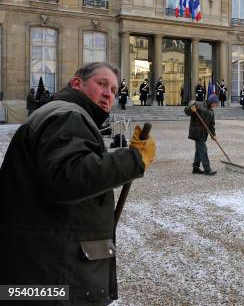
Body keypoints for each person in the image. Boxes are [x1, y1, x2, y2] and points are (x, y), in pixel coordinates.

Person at [0, 62, 156, 305]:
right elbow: (67, 178)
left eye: (114, 90)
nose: (109, 94)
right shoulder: (67, 115)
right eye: (102, 84)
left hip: (39, 266)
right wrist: (134, 160)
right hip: (54, 275)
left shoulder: (60, 113)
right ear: (76, 83)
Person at [185, 94, 219, 175]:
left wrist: (213, 135)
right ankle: (207, 170)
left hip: (204, 134)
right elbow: (186, 112)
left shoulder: (211, 111)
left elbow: (211, 125)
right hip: (197, 132)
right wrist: (191, 109)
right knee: (203, 150)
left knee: (199, 151)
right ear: (211, 101)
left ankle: (195, 168)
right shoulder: (198, 105)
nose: (216, 105)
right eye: (215, 103)